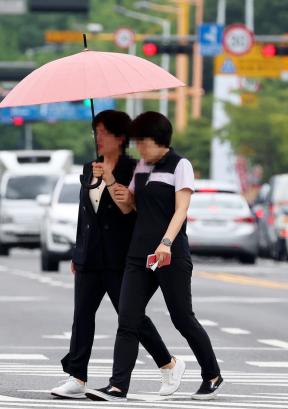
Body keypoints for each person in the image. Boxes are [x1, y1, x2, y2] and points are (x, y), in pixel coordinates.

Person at [86, 111, 223, 402]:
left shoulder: (180, 165)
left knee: (182, 318)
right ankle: (118, 386)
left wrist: (166, 243)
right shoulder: (142, 168)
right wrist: (111, 182)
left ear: (161, 140)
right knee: (128, 318)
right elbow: (130, 208)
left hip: (170, 254)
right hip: (139, 255)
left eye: (144, 142)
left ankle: (211, 373)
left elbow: (181, 210)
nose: (140, 149)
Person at [51, 110, 180, 400]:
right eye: (95, 132)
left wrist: (112, 182)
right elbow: (85, 215)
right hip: (89, 256)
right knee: (82, 316)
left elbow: (136, 212)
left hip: (120, 257)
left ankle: (168, 362)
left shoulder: (136, 168)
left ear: (120, 138)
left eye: (103, 133)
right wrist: (77, 250)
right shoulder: (89, 167)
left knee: (130, 316)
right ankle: (77, 377)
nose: (97, 138)